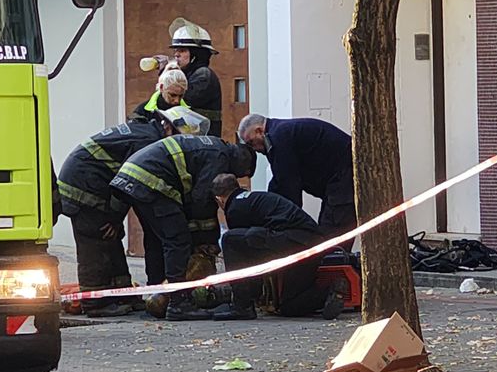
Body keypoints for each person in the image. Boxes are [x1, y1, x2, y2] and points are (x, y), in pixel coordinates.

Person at [58, 107, 211, 317]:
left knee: (111, 238)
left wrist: (116, 220)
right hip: (84, 185)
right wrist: (114, 217)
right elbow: (128, 182)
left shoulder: (148, 134)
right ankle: (94, 304)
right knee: (95, 240)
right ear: (168, 127)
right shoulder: (148, 142)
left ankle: (124, 295)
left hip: (94, 182)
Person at [109, 135, 256, 321]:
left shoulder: (211, 146)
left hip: (132, 177)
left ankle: (157, 293)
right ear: (241, 165)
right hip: (152, 181)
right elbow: (200, 200)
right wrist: (206, 239)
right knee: (178, 240)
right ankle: (178, 304)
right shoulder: (220, 157)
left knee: (157, 239)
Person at [209, 174, 348, 321]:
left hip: (292, 241)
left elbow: (246, 259)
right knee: (289, 306)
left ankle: (242, 305)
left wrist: (248, 291)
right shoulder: (254, 198)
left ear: (219, 199)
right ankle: (329, 292)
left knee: (230, 239)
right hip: (310, 245)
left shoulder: (235, 208)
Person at [237, 114, 356, 250]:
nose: (255, 150)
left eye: (251, 143)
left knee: (332, 242)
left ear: (259, 131)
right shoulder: (281, 133)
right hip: (341, 177)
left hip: (343, 178)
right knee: (329, 235)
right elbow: (281, 181)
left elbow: (288, 185)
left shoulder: (278, 138)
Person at [169, 18, 223, 137]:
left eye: (182, 50)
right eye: (176, 50)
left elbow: (178, 102)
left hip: (203, 145)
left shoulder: (203, 75)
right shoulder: (188, 75)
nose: (176, 54)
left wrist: (167, 76)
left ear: (196, 54)